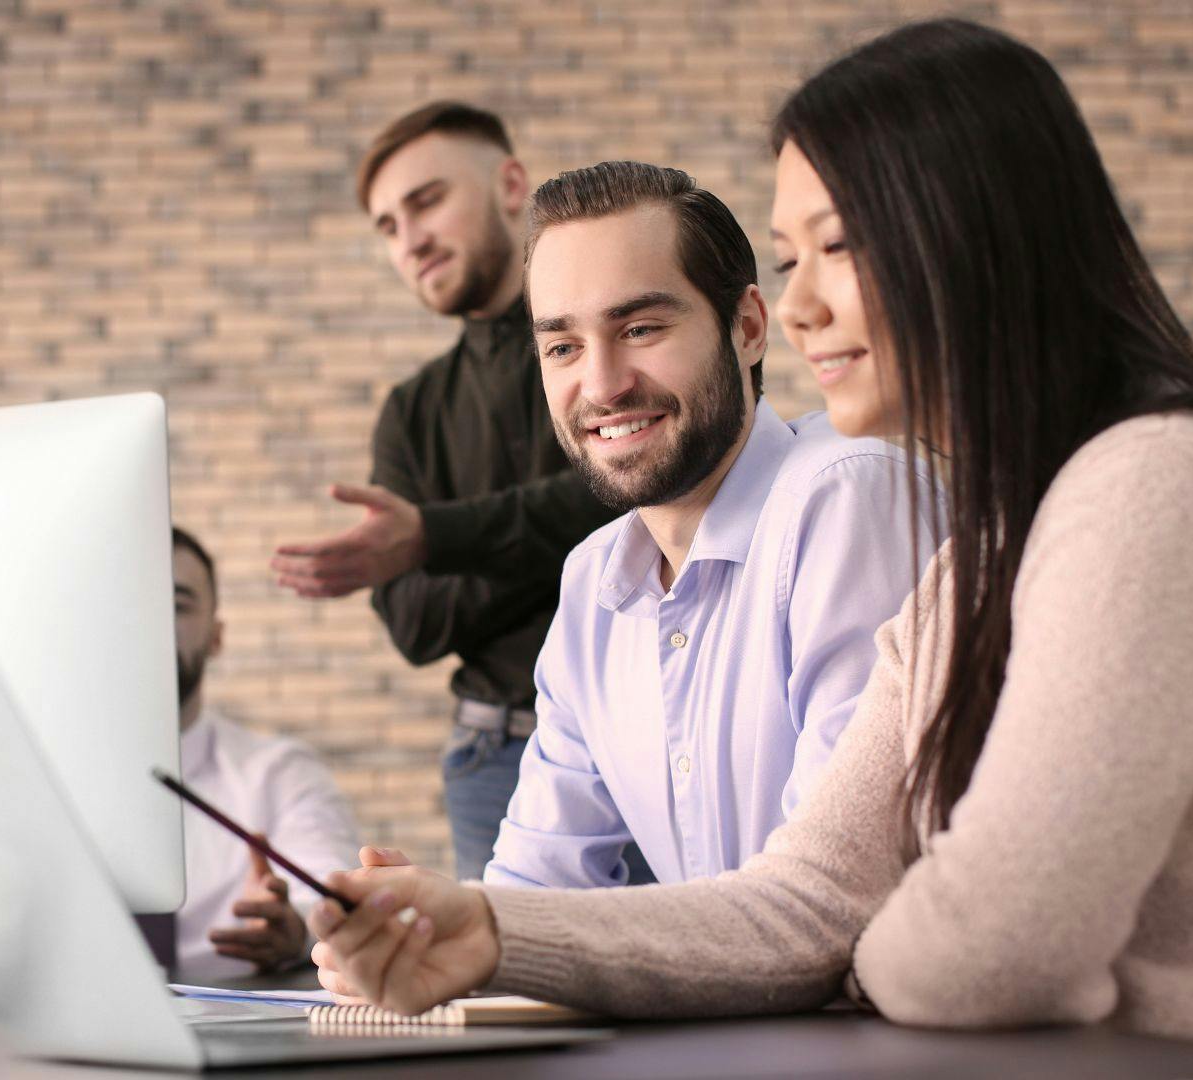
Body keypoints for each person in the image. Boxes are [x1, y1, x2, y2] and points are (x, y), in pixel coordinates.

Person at [303, 20, 1193, 1074]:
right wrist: (484, 926)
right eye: (792, 263)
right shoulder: (979, 559)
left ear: (978, 237)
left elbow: (982, 942)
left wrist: (861, 958)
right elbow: (808, 903)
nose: (801, 312)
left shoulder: (1159, 486)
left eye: (838, 247)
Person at [364, 161, 932, 890]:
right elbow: (538, 884)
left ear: (750, 327)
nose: (601, 385)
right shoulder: (592, 582)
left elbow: (833, 895)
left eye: (639, 327)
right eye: (563, 346)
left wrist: (492, 930)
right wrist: (429, 930)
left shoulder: (845, 500)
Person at [268, 103, 621, 881]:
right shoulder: (411, 410)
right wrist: (559, 537)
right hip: (490, 758)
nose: (410, 239)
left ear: (510, 184)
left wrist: (434, 538)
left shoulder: (607, 349)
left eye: (426, 201)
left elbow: (627, 498)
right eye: (388, 226)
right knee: (512, 998)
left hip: (649, 732)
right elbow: (413, 624)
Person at [163, 526, 360, 979]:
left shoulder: (280, 773)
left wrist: (296, 927)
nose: (150, 624)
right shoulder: (31, 781)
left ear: (216, 636)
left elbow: (331, 894)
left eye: (176, 606)